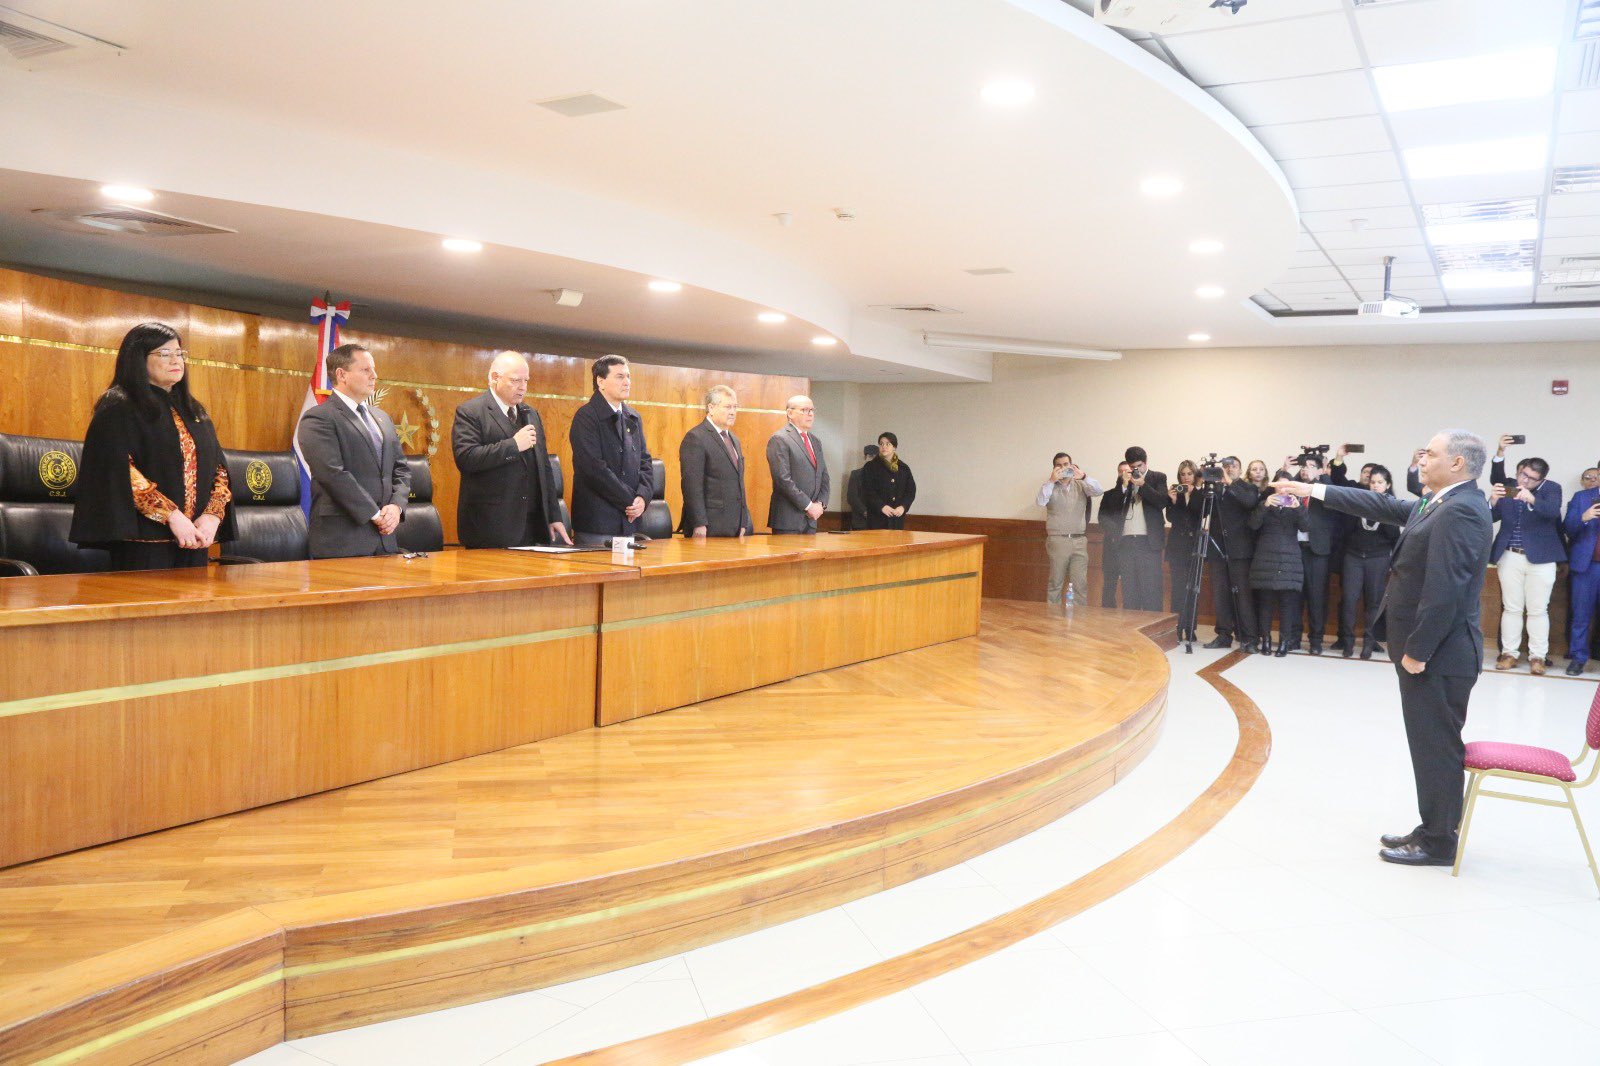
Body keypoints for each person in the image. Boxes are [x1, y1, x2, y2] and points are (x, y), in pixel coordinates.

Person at [1273, 429, 1493, 868]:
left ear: (1456, 463)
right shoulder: (1443, 501)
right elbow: (1379, 505)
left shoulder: (1463, 509)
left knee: (1435, 745)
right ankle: (1434, 826)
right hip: (1432, 651)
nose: (1422, 458)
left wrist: (1419, 650)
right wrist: (1311, 488)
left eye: (1430, 453)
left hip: (1440, 654)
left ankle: (1439, 841)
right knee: (1428, 742)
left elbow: (1446, 589)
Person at [70, 322, 235, 571]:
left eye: (179, 353)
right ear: (138, 359)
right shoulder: (118, 406)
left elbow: (219, 469)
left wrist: (212, 516)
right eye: (164, 353)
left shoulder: (194, 409)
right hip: (144, 541)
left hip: (196, 538)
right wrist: (171, 515)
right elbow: (120, 472)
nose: (176, 360)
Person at [295, 343, 410, 559]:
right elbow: (332, 474)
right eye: (366, 370)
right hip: (342, 541)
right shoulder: (319, 418)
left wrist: (396, 507)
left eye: (374, 369)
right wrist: (375, 515)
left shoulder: (382, 418)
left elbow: (401, 469)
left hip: (386, 541)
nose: (374, 376)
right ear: (342, 374)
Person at [451, 351, 570, 548]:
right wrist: (513, 446)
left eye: (526, 380)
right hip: (492, 527)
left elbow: (543, 468)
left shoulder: (530, 413)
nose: (523, 387)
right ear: (494, 378)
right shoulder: (471, 412)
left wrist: (553, 516)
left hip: (533, 526)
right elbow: (467, 458)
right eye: (516, 380)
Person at [1487, 436, 1565, 675]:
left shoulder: (1551, 489)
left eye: (1531, 478)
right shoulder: (1510, 487)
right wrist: (1492, 501)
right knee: (1511, 607)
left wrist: (1532, 498)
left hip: (1541, 559)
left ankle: (1537, 656)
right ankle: (1509, 653)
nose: (1524, 480)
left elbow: (1552, 512)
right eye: (1523, 474)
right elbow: (1491, 516)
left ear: (1541, 479)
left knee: (1538, 609)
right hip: (1510, 556)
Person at [569, 355, 654, 544]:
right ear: (601, 382)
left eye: (628, 376)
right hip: (598, 523)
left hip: (630, 521)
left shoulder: (633, 417)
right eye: (619, 377)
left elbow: (645, 461)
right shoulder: (587, 417)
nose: (627, 382)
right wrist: (629, 501)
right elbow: (593, 469)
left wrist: (643, 497)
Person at [1337, 464, 1400, 659]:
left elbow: (1394, 536)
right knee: (1349, 600)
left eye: (1380, 482)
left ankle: (1368, 643)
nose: (1375, 485)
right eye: (1372, 482)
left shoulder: (1392, 505)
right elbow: (1346, 531)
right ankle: (1347, 642)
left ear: (1387, 485)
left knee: (1374, 602)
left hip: (1378, 558)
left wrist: (1384, 511)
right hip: (1354, 556)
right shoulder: (1359, 501)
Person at [1203, 457, 1262, 653]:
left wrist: (1230, 484)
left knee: (1243, 596)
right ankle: (1223, 635)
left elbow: (1249, 502)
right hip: (1217, 550)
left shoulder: (1247, 488)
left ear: (1240, 469)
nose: (1229, 470)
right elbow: (1200, 510)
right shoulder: (1215, 489)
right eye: (1226, 467)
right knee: (1220, 595)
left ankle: (1250, 637)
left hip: (1240, 551)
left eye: (1233, 467)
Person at [678, 384, 751, 537]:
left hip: (735, 526)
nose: (732, 412)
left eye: (735, 407)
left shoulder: (734, 440)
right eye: (727, 407)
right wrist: (699, 523)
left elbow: (739, 483)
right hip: (709, 526)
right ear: (711, 408)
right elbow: (692, 485)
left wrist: (744, 521)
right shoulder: (696, 438)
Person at [1285, 452, 1340, 655]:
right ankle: (1293, 637)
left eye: (1310, 465)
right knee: (1294, 596)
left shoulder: (1323, 489)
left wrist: (1324, 475)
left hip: (1318, 551)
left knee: (1317, 597)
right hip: (1295, 549)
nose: (1305, 468)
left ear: (1318, 470)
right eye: (1303, 465)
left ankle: (1316, 640)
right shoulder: (1293, 487)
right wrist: (1284, 470)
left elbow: (1333, 491)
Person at [1102, 446, 1168, 611]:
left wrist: (1143, 485)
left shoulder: (1158, 477)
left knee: (1151, 589)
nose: (1135, 470)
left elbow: (1161, 502)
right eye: (1132, 467)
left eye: (1139, 466)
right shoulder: (1124, 481)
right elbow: (1112, 508)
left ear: (1146, 463)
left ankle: (1151, 630)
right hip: (1126, 542)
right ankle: (1131, 630)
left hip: (1149, 542)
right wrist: (1124, 487)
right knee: (1129, 589)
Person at [1248, 483, 1310, 656]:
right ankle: (1265, 641)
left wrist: (1298, 508)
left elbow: (1306, 527)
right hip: (1266, 557)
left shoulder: (1296, 505)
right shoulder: (1265, 503)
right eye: (1279, 486)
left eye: (1286, 487)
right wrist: (1265, 505)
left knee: (1287, 604)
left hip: (1289, 558)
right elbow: (1253, 524)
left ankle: (1284, 642)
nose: (1282, 490)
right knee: (1265, 603)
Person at [1037, 451, 1102, 606]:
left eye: (1066, 464)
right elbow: (1040, 501)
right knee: (1056, 582)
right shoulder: (1049, 486)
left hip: (1079, 540)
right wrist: (1051, 481)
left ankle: (1078, 621)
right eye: (1059, 465)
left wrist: (1084, 476)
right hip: (1058, 540)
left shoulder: (1081, 485)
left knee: (1080, 583)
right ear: (1054, 468)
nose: (1063, 468)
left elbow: (1098, 490)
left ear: (1071, 465)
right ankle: (1052, 620)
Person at [767, 394, 829, 534]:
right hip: (788, 520)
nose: (810, 414)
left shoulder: (815, 441)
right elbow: (782, 480)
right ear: (790, 413)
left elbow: (824, 477)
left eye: (812, 410)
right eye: (805, 410)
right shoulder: (780, 439)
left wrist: (820, 504)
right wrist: (808, 506)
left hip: (811, 520)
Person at [1563, 464, 1600, 676]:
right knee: (1581, 616)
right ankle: (1578, 658)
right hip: (1586, 566)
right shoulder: (1581, 497)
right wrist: (1583, 518)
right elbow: (1568, 528)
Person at [1165, 460, 1203, 641]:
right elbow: (1171, 517)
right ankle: (1177, 626)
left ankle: (1191, 628)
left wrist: (1192, 494)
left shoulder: (1201, 494)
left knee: (1193, 589)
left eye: (1189, 474)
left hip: (1194, 547)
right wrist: (1172, 501)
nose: (1186, 477)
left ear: (1195, 475)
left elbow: (1200, 514)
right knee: (1178, 588)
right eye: (1183, 474)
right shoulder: (1176, 493)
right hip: (1177, 546)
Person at [860, 432, 916, 530]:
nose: (884, 447)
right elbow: (866, 491)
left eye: (888, 444)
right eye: (881, 444)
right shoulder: (870, 467)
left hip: (897, 519)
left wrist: (903, 507)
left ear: (894, 447)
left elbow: (911, 491)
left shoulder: (903, 468)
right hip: (877, 519)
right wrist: (881, 506)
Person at [1098, 461, 1132, 608]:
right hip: (1112, 545)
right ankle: (1107, 618)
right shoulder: (1109, 495)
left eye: (1127, 471)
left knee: (1130, 586)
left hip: (1131, 547)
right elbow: (1102, 518)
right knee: (1109, 585)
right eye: (1120, 471)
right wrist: (1116, 532)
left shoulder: (1139, 495)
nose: (1124, 474)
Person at [846, 444, 879, 530]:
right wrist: (865, 512)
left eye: (874, 456)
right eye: (870, 456)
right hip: (860, 521)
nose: (872, 459)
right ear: (865, 457)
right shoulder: (855, 474)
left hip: (878, 522)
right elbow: (851, 497)